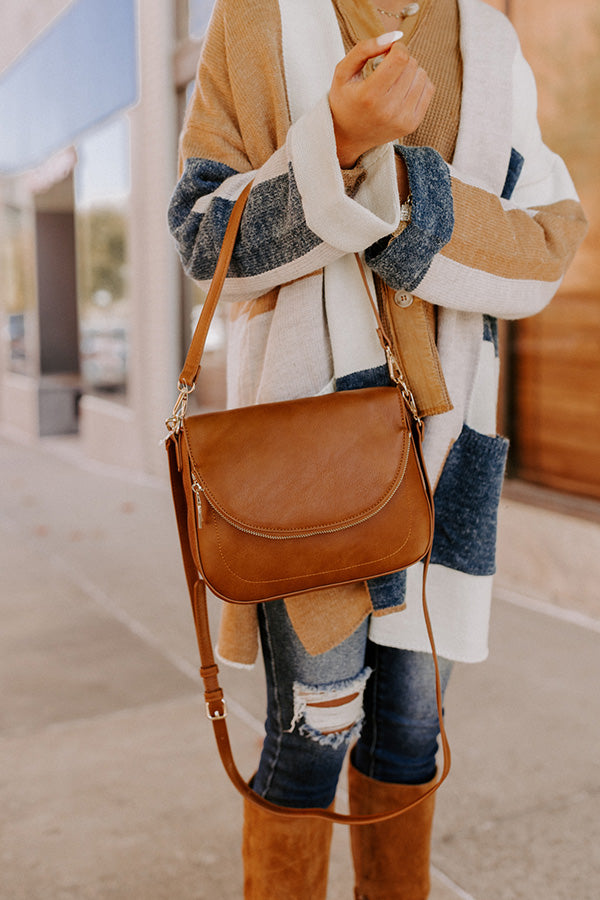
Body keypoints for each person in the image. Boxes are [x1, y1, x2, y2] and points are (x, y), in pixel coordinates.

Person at [168, 1, 587, 897]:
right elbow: (205, 240)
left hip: (450, 454)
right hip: (311, 459)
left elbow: (550, 245)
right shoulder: (256, 20)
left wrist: (398, 200)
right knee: (311, 740)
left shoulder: (490, 38)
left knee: (410, 738)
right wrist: (338, 145)